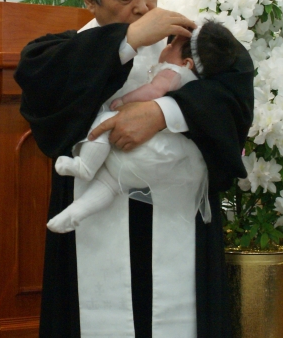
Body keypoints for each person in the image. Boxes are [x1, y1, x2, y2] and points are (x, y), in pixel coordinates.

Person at [15, 0, 254, 338]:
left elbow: (235, 95)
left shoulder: (189, 40)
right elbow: (42, 90)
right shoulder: (67, 52)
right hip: (97, 222)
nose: (143, 6)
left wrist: (165, 111)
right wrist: (126, 41)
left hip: (177, 223)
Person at [48, 21, 242, 233]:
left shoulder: (172, 70)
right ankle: (75, 213)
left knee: (105, 121)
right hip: (163, 162)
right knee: (111, 184)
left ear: (187, 63)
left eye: (172, 45)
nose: (166, 46)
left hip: (145, 148)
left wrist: (124, 101)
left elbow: (153, 91)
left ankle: (85, 165)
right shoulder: (199, 76)